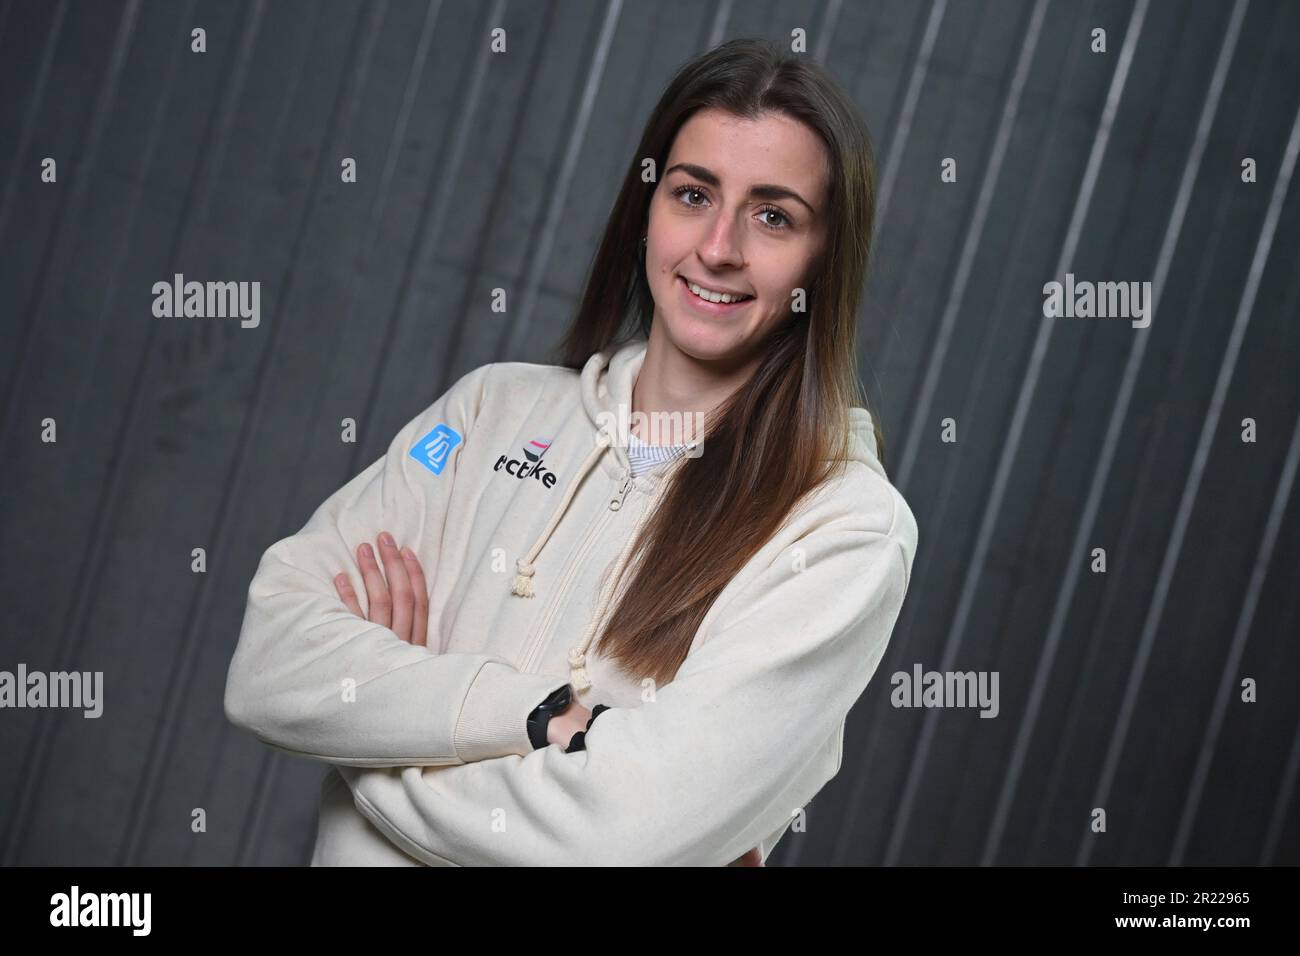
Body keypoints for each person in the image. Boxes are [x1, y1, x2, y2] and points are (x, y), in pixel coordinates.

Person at [224, 37, 917, 867]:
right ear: (647, 207)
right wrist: (524, 714)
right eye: (694, 194)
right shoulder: (487, 415)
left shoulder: (840, 531)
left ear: (824, 257)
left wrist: (371, 731)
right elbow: (268, 663)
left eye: (774, 216)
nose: (720, 246)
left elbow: (620, 836)